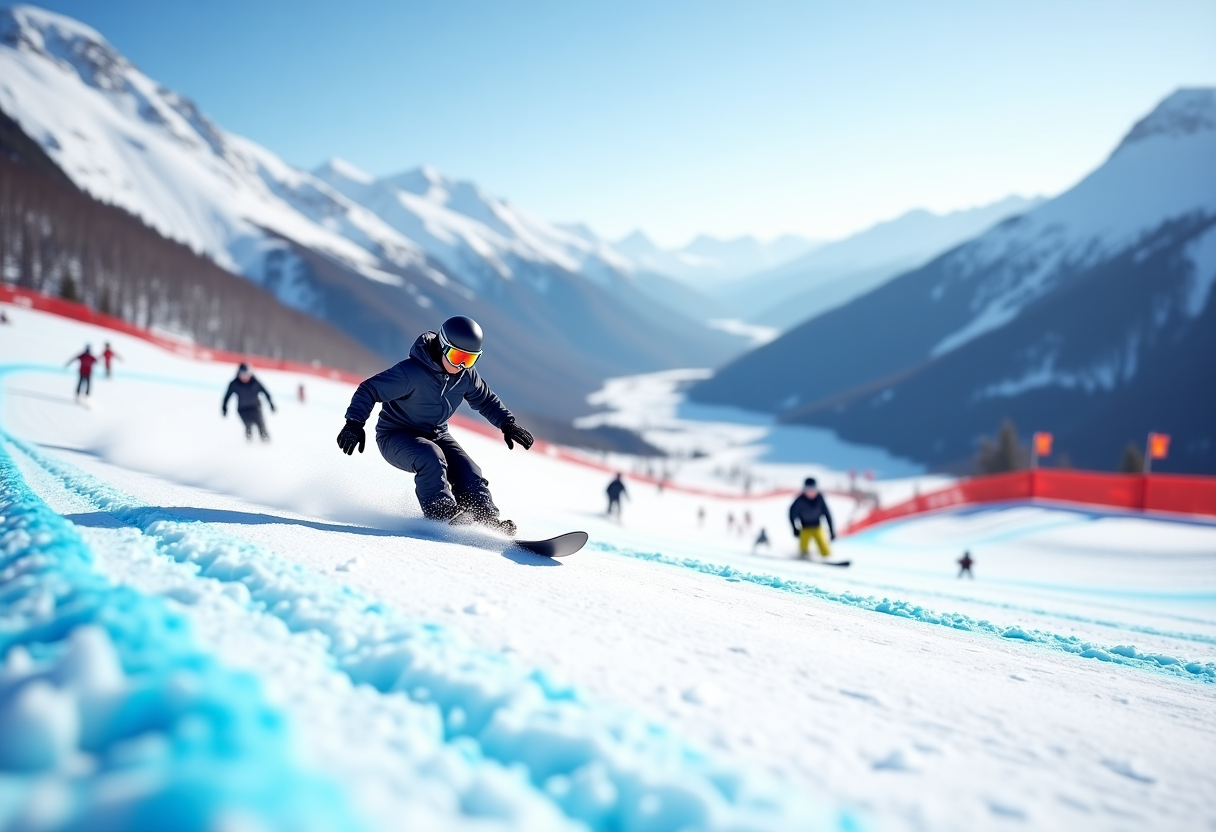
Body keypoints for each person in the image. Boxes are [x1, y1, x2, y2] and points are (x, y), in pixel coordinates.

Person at [336, 316, 532, 535]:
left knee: (469, 470)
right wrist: (354, 423)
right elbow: (369, 389)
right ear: (442, 346)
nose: (461, 366)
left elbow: (485, 400)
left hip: (436, 434)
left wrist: (508, 424)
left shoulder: (465, 376)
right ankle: (441, 515)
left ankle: (486, 520)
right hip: (396, 436)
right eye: (457, 356)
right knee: (431, 456)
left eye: (469, 360)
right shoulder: (411, 373)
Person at [222, 363, 275, 442]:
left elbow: (266, 392)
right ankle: (249, 445)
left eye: (247, 374)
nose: (245, 377)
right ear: (239, 374)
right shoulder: (234, 384)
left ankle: (266, 444)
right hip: (243, 409)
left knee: (261, 426)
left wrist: (271, 404)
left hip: (256, 408)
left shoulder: (255, 382)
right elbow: (227, 397)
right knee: (248, 426)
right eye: (243, 374)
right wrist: (224, 408)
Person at [790, 477, 836, 559]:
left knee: (824, 548)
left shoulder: (820, 499)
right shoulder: (800, 500)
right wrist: (794, 528)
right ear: (804, 490)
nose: (811, 492)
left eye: (813, 489)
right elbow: (791, 514)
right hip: (805, 528)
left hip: (817, 527)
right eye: (808, 489)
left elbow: (827, 514)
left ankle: (827, 558)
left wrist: (831, 531)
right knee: (803, 548)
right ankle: (803, 556)